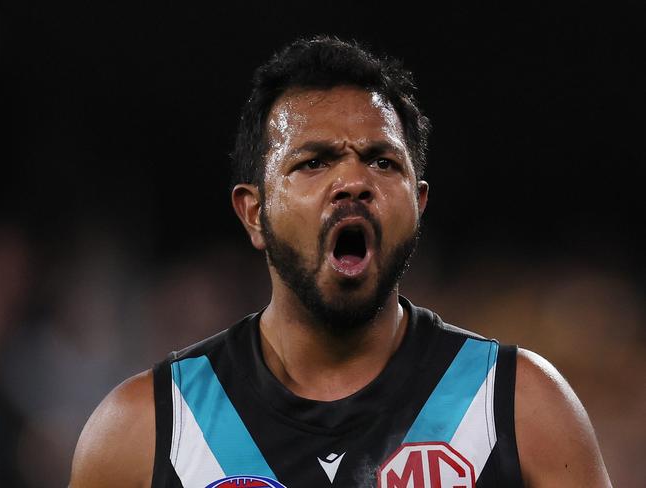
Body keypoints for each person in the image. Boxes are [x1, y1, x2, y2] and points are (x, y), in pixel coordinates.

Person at [70, 36, 612, 488]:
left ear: (418, 205)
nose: (353, 182)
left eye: (382, 161)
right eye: (314, 161)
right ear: (254, 213)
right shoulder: (144, 431)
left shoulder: (520, 408)